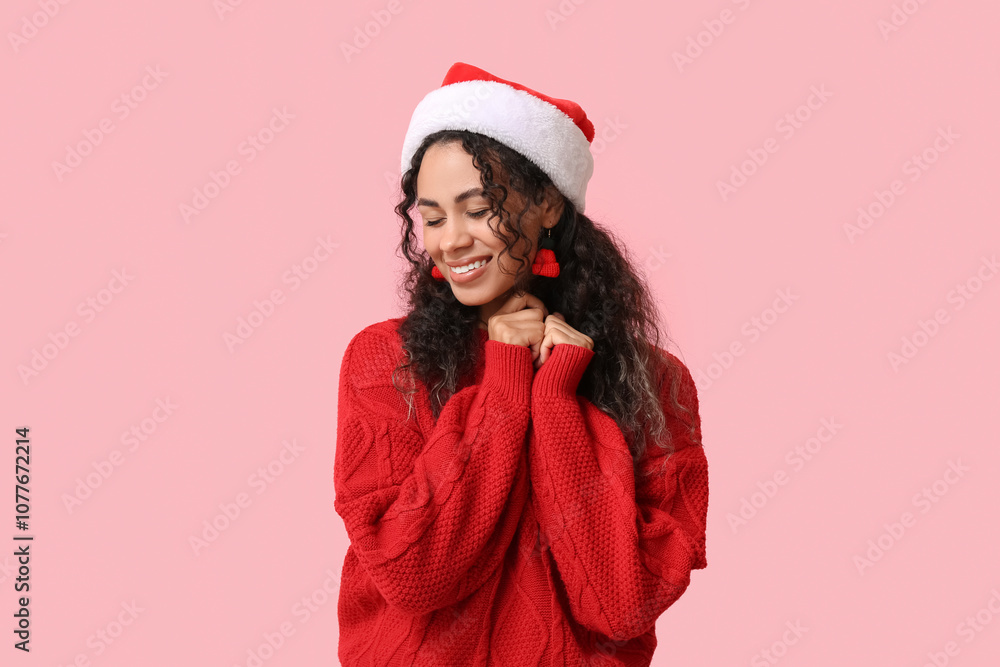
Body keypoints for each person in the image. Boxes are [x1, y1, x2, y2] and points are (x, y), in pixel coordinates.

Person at [333, 62, 709, 666]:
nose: (450, 240)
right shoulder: (386, 362)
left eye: (478, 209)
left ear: (549, 206)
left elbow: (621, 605)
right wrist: (506, 381)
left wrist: (557, 400)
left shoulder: (655, 384)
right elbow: (414, 575)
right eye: (431, 218)